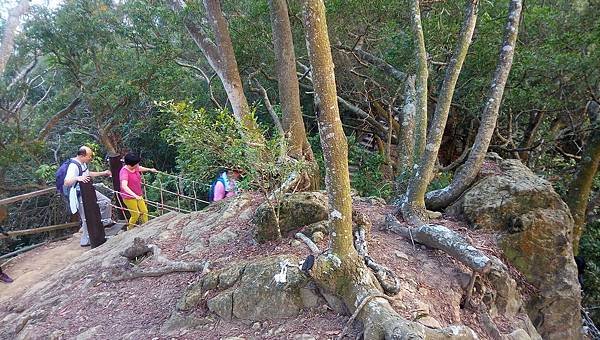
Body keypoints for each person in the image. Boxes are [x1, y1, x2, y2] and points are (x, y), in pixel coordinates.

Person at [63, 146, 113, 247]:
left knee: (105, 202)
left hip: (88, 190)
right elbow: (66, 182)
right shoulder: (73, 166)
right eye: (89, 156)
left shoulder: (83, 163)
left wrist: (103, 173)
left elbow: (87, 173)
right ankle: (86, 240)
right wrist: (78, 178)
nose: (91, 158)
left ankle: (102, 223)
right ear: (82, 156)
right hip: (79, 193)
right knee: (86, 217)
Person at [119, 153, 157, 230]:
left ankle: (146, 226)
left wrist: (150, 169)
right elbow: (124, 186)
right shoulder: (124, 172)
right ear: (131, 164)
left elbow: (140, 168)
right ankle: (129, 228)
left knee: (144, 211)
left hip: (138, 195)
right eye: (136, 164)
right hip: (128, 197)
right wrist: (134, 195)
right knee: (136, 214)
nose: (138, 165)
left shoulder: (134, 167)